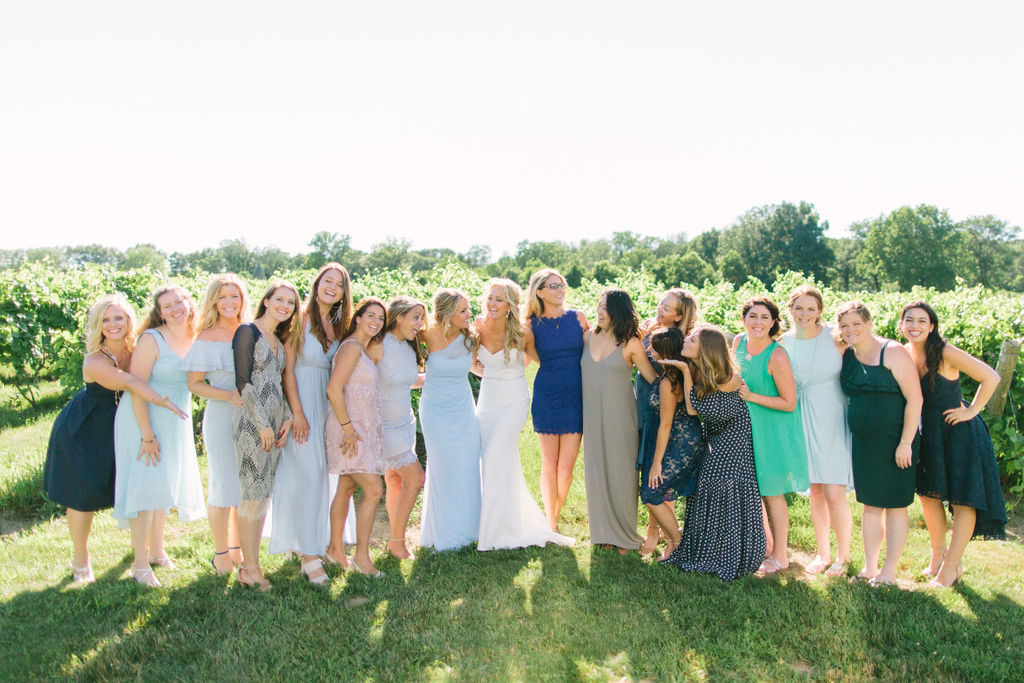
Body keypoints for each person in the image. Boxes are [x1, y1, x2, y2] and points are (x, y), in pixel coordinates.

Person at [44, 294, 187, 584]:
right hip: (87, 430)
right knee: (82, 496)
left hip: (128, 424)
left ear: (128, 320)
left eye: (118, 318)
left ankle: (151, 550)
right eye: (105, 320)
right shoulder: (95, 360)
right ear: (97, 326)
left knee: (144, 482)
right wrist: (162, 401)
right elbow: (133, 382)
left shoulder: (138, 348)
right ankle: (81, 560)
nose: (113, 324)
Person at [900, 300, 1007, 588]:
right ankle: (938, 557)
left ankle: (950, 568)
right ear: (901, 325)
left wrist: (971, 410)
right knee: (928, 495)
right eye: (909, 320)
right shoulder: (903, 355)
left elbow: (991, 376)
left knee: (963, 499)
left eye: (922, 321)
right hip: (928, 434)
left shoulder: (944, 352)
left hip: (958, 432)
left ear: (932, 326)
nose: (915, 326)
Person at [113, 285, 205, 587]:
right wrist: (147, 434)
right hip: (144, 418)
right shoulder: (152, 339)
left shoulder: (196, 335)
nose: (175, 308)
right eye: (167, 306)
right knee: (145, 490)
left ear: (188, 303)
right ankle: (139, 565)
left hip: (174, 419)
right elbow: (136, 387)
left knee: (162, 487)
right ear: (160, 313)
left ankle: (157, 551)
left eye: (179, 301)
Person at [474, 279, 574, 551]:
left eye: (499, 299)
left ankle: (498, 530)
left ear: (510, 305)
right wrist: (491, 374)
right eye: (490, 298)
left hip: (514, 400)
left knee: (497, 452)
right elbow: (470, 362)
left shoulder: (523, 331)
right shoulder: (477, 326)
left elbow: (543, 360)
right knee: (493, 459)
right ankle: (496, 521)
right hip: (488, 400)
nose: (492, 304)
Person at [271, 263, 354, 584]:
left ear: (344, 293)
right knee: (305, 475)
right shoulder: (299, 319)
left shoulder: (338, 325)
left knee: (319, 477)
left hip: (327, 406)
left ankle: (310, 541)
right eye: (327, 281)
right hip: (301, 404)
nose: (332, 287)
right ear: (317, 284)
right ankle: (308, 556)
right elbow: (287, 370)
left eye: (339, 284)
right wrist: (297, 413)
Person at [662, 325, 766, 581]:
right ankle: (708, 549)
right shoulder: (702, 373)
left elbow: (700, 410)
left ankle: (728, 553)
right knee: (707, 485)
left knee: (723, 487)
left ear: (706, 348)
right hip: (716, 437)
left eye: (693, 338)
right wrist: (686, 371)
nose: (686, 339)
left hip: (733, 440)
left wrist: (687, 374)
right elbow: (693, 406)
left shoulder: (728, 377)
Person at [838, 301, 922, 586]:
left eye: (856, 324)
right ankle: (870, 567)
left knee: (895, 505)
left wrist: (906, 443)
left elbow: (915, 398)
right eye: (845, 326)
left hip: (897, 441)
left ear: (869, 323)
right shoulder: (847, 354)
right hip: (864, 443)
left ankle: (890, 571)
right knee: (870, 505)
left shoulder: (892, 351)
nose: (851, 330)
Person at [779, 285, 853, 577]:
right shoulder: (783, 342)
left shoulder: (835, 336)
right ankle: (823, 553)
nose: (805, 314)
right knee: (816, 492)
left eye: (811, 308)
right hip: (802, 416)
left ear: (820, 311)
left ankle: (843, 555)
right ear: (791, 310)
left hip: (833, 414)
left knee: (835, 491)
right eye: (799, 308)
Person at [231, 281, 300, 591]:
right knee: (252, 496)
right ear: (268, 300)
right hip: (252, 424)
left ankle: (251, 563)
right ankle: (249, 568)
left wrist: (286, 418)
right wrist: (262, 424)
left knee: (262, 497)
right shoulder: (248, 332)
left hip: (274, 426)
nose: (285, 306)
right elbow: (244, 383)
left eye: (291, 303)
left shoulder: (277, 338)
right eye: (280, 299)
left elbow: (279, 383)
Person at [733, 296, 809, 574]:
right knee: (754, 491)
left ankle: (781, 556)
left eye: (765, 317)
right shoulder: (738, 343)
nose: (758, 322)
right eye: (753, 316)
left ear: (774, 322)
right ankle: (764, 546)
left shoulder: (777, 355)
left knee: (772, 494)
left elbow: (789, 402)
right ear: (744, 319)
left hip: (773, 432)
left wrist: (751, 396)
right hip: (745, 429)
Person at [183, 274, 250, 576]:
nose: (228, 303)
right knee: (223, 485)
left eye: (234, 296)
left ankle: (238, 548)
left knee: (244, 484)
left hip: (251, 417)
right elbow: (194, 384)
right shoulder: (206, 337)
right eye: (222, 297)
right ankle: (221, 554)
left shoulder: (249, 331)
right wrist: (227, 395)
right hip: (222, 416)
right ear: (213, 301)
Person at [581, 288, 657, 552]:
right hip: (591, 416)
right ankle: (602, 533)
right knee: (596, 472)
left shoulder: (631, 343)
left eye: (606, 307)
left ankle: (625, 535)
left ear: (619, 311)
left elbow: (653, 380)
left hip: (622, 416)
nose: (599, 311)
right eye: (598, 306)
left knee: (622, 474)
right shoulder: (587, 337)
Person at [325, 297, 387, 576]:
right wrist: (348, 429)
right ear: (358, 317)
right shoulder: (350, 348)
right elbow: (333, 390)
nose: (376, 321)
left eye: (381, 318)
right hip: (349, 432)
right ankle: (361, 557)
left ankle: (334, 550)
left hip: (361, 431)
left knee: (347, 488)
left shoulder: (363, 349)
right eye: (371, 315)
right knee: (374, 490)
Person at [418, 289, 482, 551]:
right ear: (446, 313)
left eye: (469, 309)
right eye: (463, 311)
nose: (470, 315)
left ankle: (469, 531)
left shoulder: (471, 338)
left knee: (466, 465)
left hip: (464, 409)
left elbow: (475, 367)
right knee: (442, 468)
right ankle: (442, 534)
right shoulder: (424, 334)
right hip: (434, 410)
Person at [525, 268, 589, 531]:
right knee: (549, 463)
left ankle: (553, 515)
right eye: (553, 286)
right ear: (539, 291)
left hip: (576, 395)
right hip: (547, 395)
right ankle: (551, 522)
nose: (560, 290)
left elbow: (595, 347)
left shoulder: (579, 318)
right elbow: (530, 356)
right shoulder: (530, 325)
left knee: (567, 467)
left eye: (561, 285)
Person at [637, 288, 699, 555]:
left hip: (673, 423)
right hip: (652, 410)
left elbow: (671, 411)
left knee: (657, 483)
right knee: (654, 481)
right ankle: (669, 536)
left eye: (666, 307)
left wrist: (658, 461)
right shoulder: (649, 334)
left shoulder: (685, 345)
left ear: (679, 316)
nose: (659, 309)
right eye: (660, 303)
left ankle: (667, 537)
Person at [379, 296, 427, 560]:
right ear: (398, 318)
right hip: (383, 424)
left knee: (395, 479)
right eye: (416, 318)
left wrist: (439, 376)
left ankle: (393, 540)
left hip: (404, 421)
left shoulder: (408, 347)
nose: (420, 324)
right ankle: (397, 542)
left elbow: (408, 381)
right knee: (416, 478)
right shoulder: (379, 344)